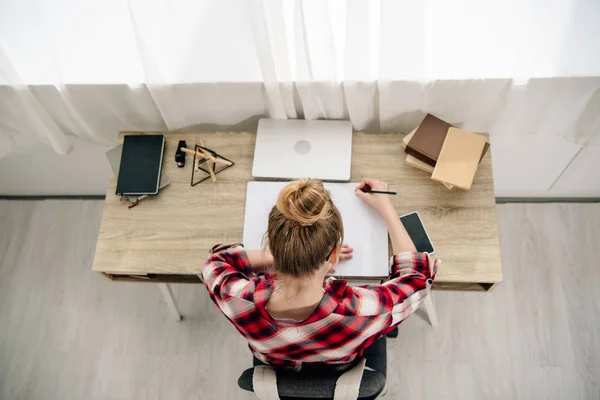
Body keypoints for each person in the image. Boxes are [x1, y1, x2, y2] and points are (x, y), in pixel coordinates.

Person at [202, 177, 438, 370]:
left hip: (277, 363)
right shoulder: (365, 310)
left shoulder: (235, 297)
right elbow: (415, 277)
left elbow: (216, 261)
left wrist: (288, 257)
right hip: (339, 363)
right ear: (333, 256)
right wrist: (386, 206)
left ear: (272, 249)